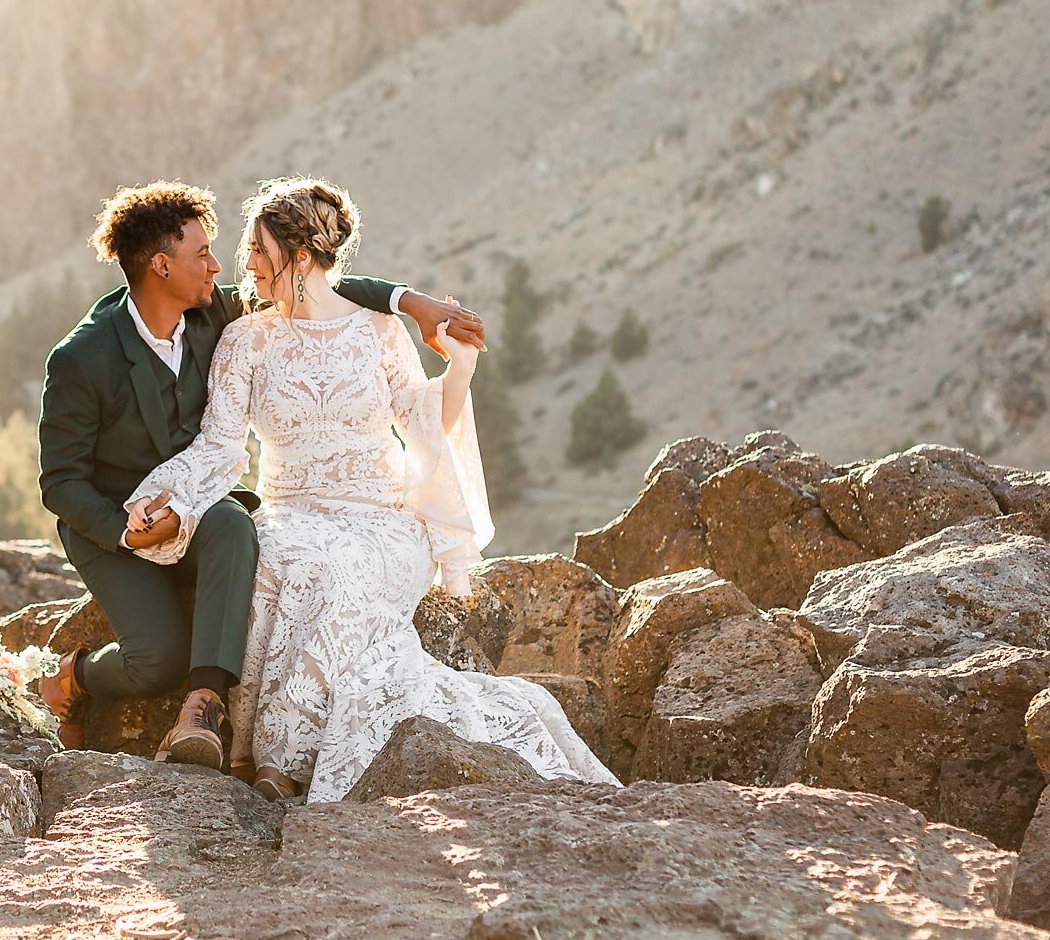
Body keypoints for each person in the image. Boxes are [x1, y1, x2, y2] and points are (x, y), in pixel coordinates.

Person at [122, 176, 620, 801]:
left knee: (341, 572)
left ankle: (285, 764)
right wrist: (170, 495)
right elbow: (222, 448)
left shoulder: (379, 333)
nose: (245, 263)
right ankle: (249, 752)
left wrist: (457, 368)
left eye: (259, 249)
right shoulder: (245, 338)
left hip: (382, 521)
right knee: (279, 562)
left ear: (300, 258)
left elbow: (421, 423)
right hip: (290, 510)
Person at [35, 180, 485, 767]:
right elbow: (60, 481)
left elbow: (318, 283)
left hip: (203, 506)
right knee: (156, 662)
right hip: (115, 523)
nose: (221, 267)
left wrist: (408, 301)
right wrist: (125, 530)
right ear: (162, 265)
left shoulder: (213, 308)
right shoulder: (82, 357)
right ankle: (75, 678)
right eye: (204, 255)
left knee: (234, 526)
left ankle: (204, 708)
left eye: (231, 252)